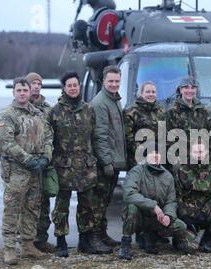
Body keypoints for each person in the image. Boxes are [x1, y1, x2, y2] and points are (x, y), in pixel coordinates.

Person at [49, 71, 112, 257]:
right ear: (64, 88)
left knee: (87, 206)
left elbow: (95, 136)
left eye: (75, 85)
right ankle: (61, 241)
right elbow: (49, 140)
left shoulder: (88, 109)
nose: (73, 88)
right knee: (62, 207)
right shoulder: (55, 112)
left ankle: (86, 241)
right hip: (64, 168)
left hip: (86, 167)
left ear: (79, 87)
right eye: (69, 85)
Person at [0, 77, 53, 265]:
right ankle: (10, 248)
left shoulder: (37, 114)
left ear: (30, 92)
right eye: (18, 90)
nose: (22, 93)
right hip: (16, 170)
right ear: (14, 92)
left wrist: (46, 157)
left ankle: (28, 245)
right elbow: (6, 143)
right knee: (12, 208)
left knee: (32, 208)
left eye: (25, 90)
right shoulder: (7, 114)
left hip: (37, 168)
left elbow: (48, 137)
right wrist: (28, 160)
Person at [119, 142, 196, 260]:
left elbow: (171, 201)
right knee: (131, 208)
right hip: (140, 217)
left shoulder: (167, 176)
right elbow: (129, 194)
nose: (155, 155)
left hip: (157, 218)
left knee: (181, 226)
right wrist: (153, 206)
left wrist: (168, 215)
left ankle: (151, 236)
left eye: (158, 153)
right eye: (151, 153)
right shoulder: (137, 171)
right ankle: (125, 244)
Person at [91, 65, 127, 248]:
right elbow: (100, 136)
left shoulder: (114, 100)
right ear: (104, 81)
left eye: (117, 81)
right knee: (98, 202)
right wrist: (106, 162)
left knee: (105, 201)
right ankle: (94, 238)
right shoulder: (101, 103)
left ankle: (102, 234)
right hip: (106, 162)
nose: (114, 84)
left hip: (115, 161)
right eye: (110, 81)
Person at [25, 72, 55, 253]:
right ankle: (26, 242)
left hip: (44, 163)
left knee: (44, 203)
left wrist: (47, 157)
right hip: (25, 164)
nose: (36, 86)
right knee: (26, 204)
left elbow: (51, 135)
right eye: (33, 83)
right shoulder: (20, 107)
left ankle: (41, 239)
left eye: (39, 83)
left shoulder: (48, 109)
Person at [166, 77, 209, 165]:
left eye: (193, 88)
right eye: (186, 87)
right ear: (181, 90)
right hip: (180, 160)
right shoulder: (172, 111)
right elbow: (167, 137)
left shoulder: (202, 110)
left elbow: (206, 133)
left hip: (199, 158)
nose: (190, 91)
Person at [123, 81, 166, 169]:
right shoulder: (131, 111)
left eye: (153, 92)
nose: (151, 94)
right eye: (148, 92)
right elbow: (128, 137)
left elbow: (164, 133)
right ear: (141, 93)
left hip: (157, 157)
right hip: (138, 159)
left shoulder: (160, 111)